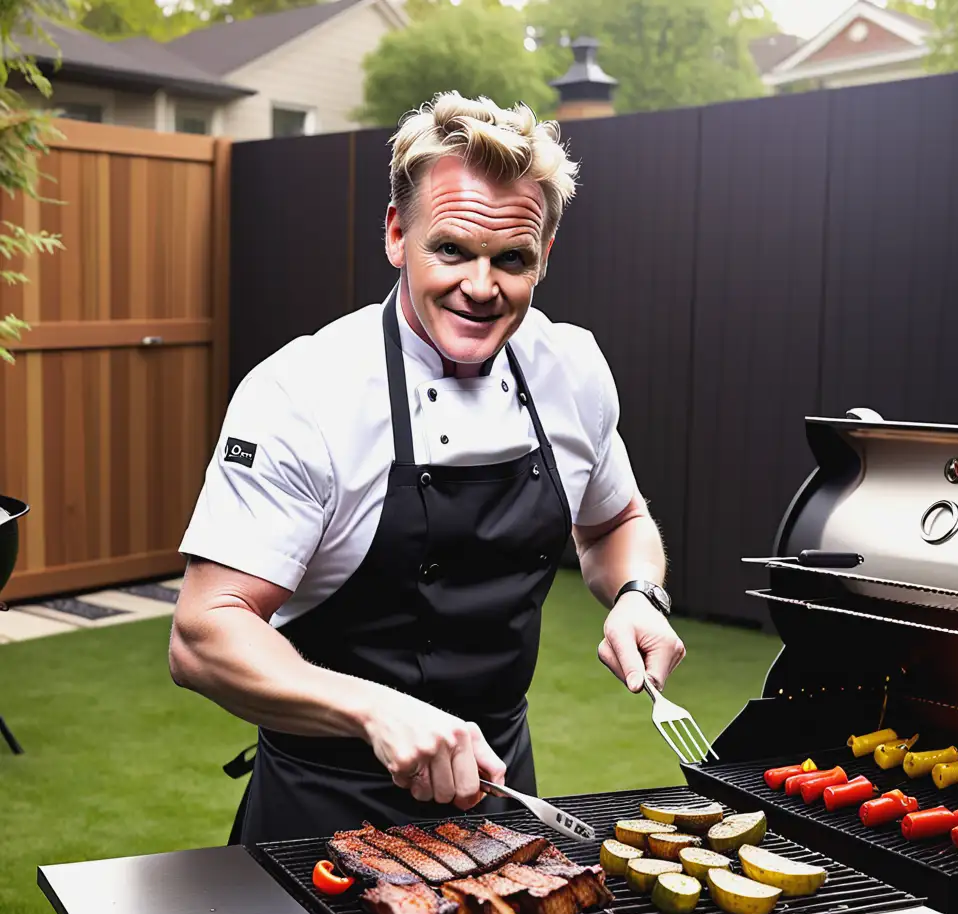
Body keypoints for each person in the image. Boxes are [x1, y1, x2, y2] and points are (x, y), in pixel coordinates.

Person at [169, 91, 686, 846]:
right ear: (396, 234)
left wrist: (641, 593)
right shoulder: (302, 393)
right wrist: (377, 710)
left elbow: (618, 520)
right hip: (323, 808)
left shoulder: (570, 367)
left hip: (502, 798)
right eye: (452, 250)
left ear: (544, 255)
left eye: (512, 258)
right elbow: (203, 634)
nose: (482, 287)